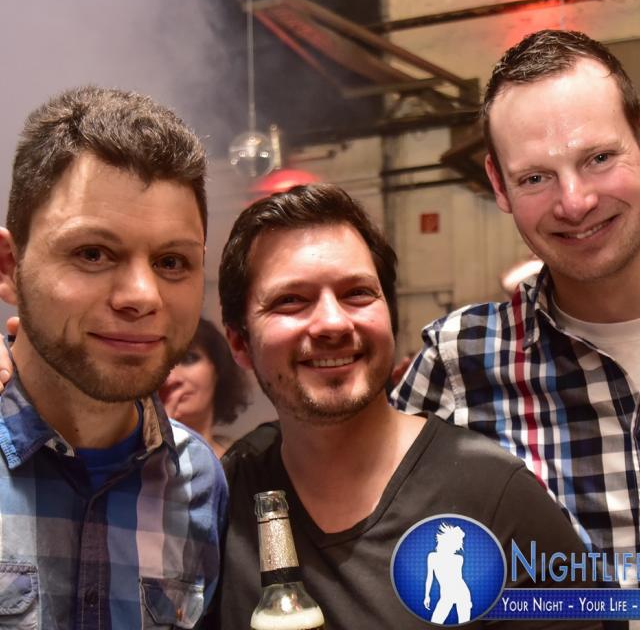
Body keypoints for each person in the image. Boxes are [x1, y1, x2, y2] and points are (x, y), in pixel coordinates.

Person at [212, 183, 599, 629]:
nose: (333, 323)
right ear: (239, 343)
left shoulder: (496, 496)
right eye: (291, 301)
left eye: (357, 293)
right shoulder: (232, 493)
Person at [391, 29, 640, 587]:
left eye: (599, 158)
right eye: (535, 178)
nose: (575, 202)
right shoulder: (459, 360)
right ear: (499, 186)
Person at [0, 86, 227, 628]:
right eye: (93, 253)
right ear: (9, 267)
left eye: (172, 262)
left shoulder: (199, 482)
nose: (142, 296)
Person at [160, 317, 250, 456]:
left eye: (189, 359)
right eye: (161, 366)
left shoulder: (247, 461)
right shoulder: (131, 462)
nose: (171, 378)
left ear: (218, 369)